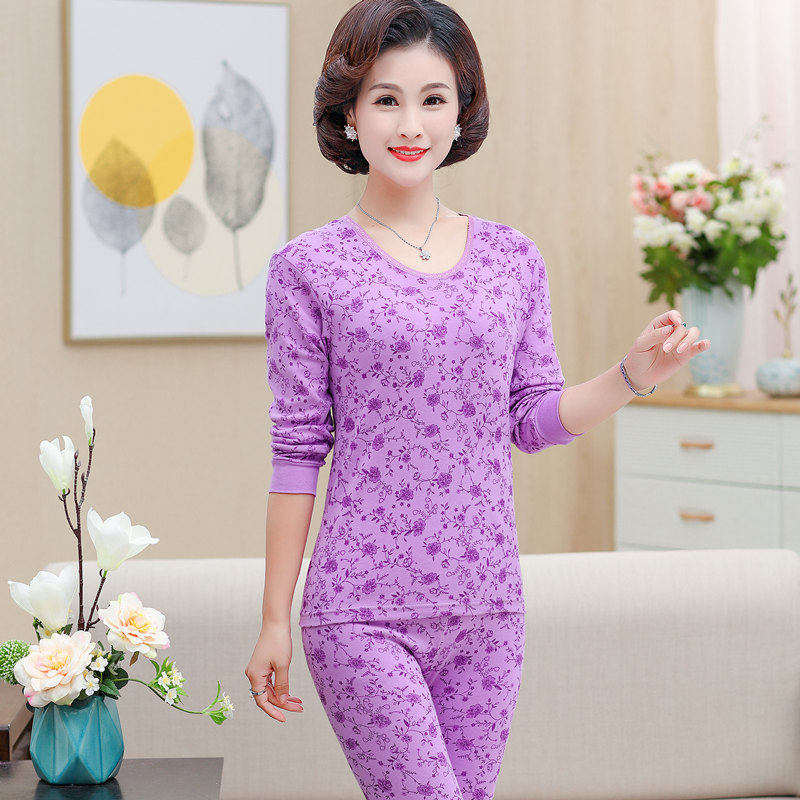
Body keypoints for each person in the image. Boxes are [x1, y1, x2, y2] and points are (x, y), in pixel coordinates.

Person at [245, 1, 710, 797]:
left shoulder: (512, 260)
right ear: (349, 114)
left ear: (461, 111)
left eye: (433, 98)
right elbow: (296, 453)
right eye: (386, 99)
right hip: (361, 611)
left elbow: (532, 419)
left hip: (488, 610)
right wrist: (273, 619)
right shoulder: (307, 270)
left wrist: (631, 375)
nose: (410, 123)